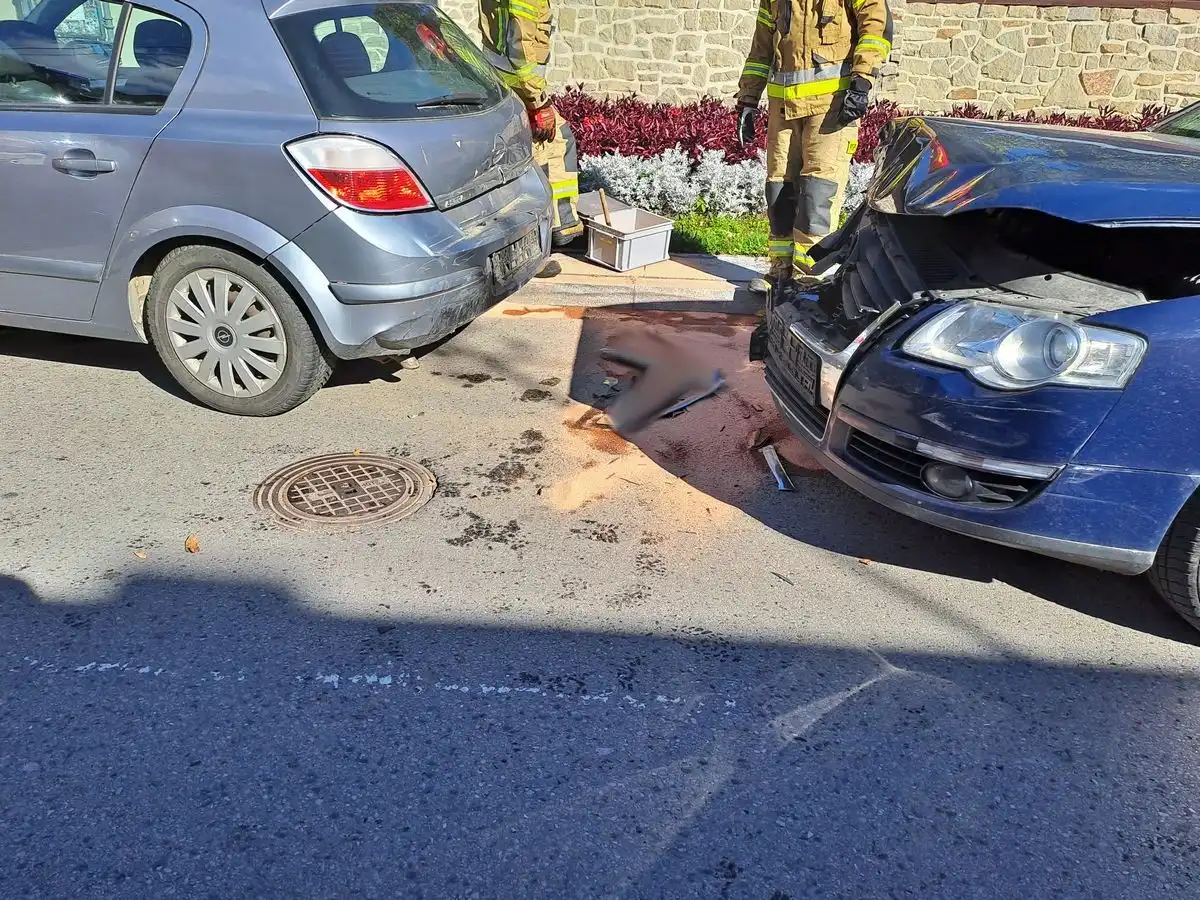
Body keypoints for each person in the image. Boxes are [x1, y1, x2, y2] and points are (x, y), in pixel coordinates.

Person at [736, 0, 893, 297]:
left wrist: (861, 81)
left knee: (817, 192)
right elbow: (761, 50)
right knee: (778, 189)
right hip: (783, 108)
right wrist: (748, 99)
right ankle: (779, 271)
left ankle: (809, 277)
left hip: (831, 107)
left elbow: (875, 29)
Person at [479, 0, 583, 278]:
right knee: (550, 150)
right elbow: (522, 50)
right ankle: (544, 241)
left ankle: (556, 231)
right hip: (520, 89)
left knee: (549, 149)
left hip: (502, 84)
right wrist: (538, 103)